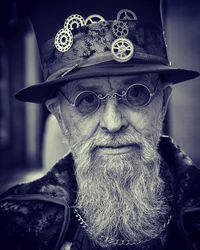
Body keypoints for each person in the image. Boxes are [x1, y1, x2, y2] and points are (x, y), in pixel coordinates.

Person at [0, 0, 200, 249]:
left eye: (136, 94)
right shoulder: (12, 223)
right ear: (59, 115)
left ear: (162, 102)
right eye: (87, 100)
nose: (113, 123)